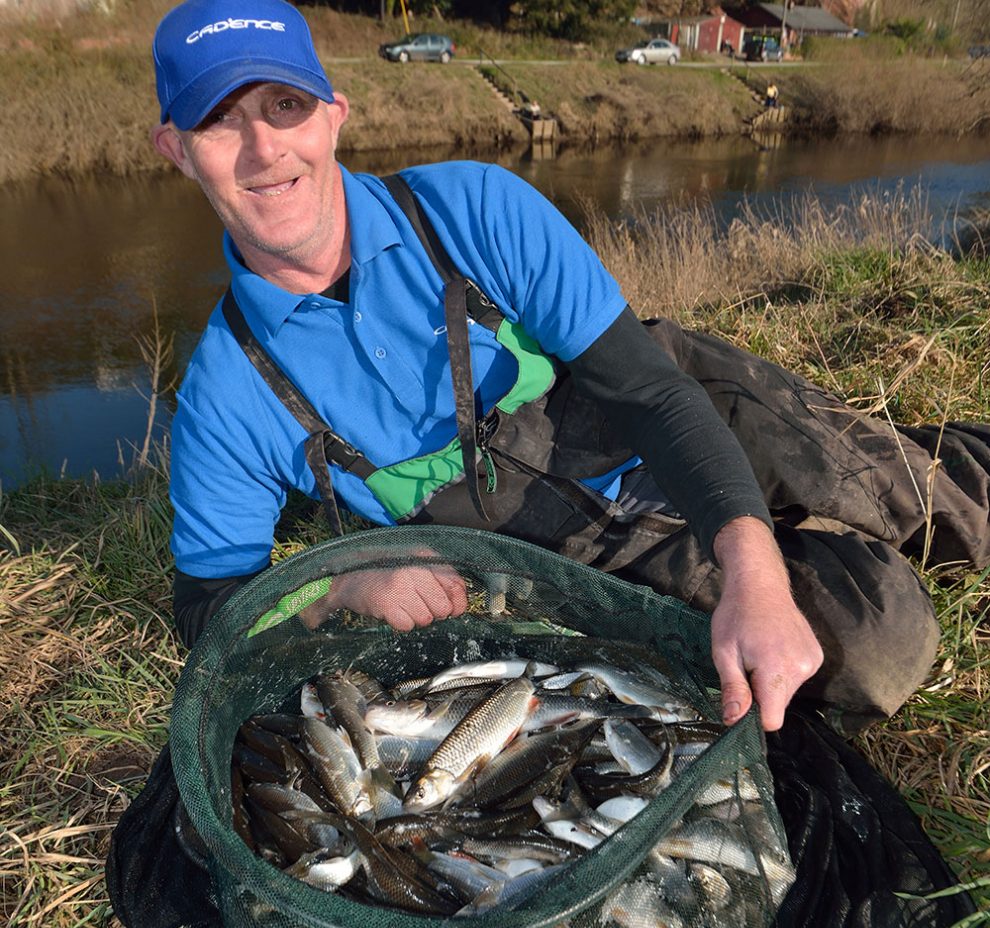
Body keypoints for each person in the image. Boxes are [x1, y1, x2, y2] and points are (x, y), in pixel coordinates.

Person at [152, 0, 989, 735]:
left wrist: (755, 572)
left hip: (665, 413)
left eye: (285, 105)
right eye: (220, 121)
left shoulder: (474, 207)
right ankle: (802, 529)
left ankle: (880, 475)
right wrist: (339, 591)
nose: (264, 148)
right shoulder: (228, 392)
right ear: (177, 152)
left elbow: (652, 392)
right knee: (875, 654)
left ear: (333, 114)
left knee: (931, 500)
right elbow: (208, 604)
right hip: (567, 549)